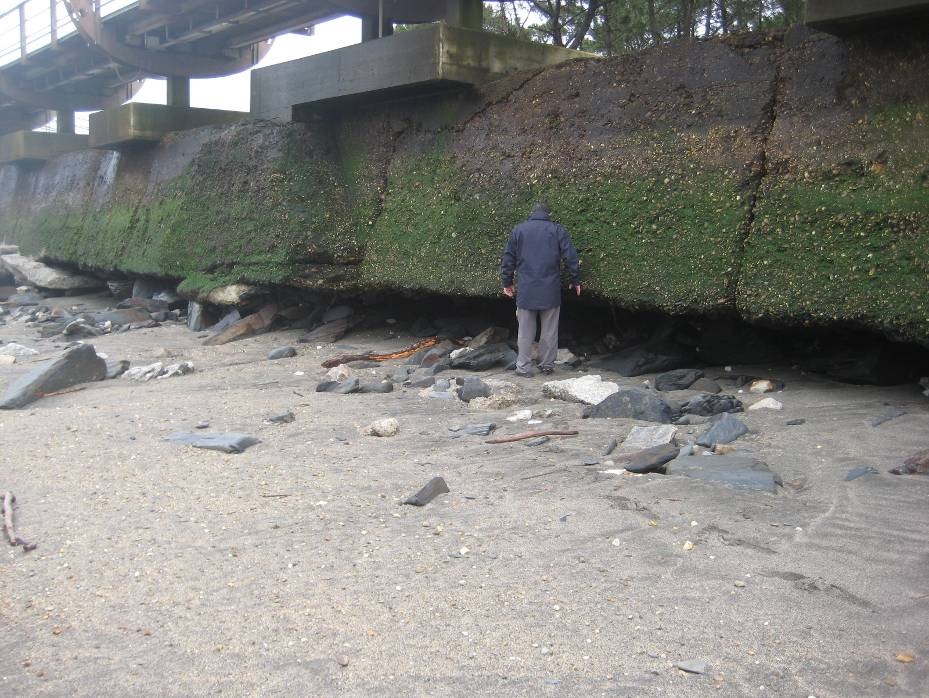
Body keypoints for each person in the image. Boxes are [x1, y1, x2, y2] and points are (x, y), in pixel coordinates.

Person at [500, 202, 581, 377]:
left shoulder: (519, 230)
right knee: (549, 331)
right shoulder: (557, 230)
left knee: (525, 331)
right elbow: (570, 257)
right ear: (548, 214)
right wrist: (575, 280)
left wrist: (507, 283)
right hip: (550, 289)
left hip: (526, 289)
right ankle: (546, 366)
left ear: (532, 213)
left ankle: (523, 368)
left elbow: (508, 259)